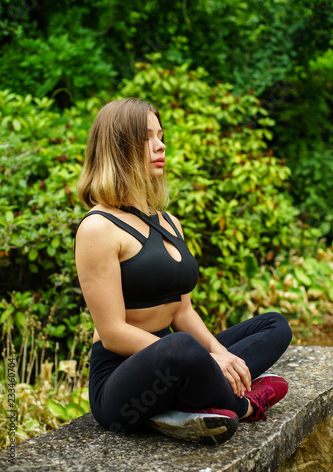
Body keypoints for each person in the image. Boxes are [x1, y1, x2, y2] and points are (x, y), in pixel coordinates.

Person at [75, 98, 292, 445]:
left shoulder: (169, 222)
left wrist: (219, 356)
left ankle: (190, 400)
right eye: (147, 137)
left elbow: (182, 310)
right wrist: (206, 358)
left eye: (161, 135)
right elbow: (112, 332)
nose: (160, 145)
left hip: (179, 359)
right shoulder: (98, 228)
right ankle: (244, 405)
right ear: (118, 147)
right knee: (181, 348)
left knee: (274, 325)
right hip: (123, 382)